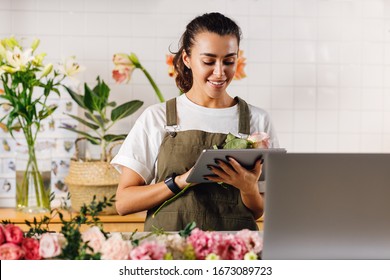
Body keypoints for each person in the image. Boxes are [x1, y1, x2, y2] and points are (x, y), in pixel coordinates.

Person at [111, 12, 279, 231]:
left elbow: (258, 211)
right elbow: (123, 202)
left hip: (232, 254)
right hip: (170, 253)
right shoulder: (158, 117)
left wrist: (248, 188)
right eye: (208, 61)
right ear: (187, 59)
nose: (219, 73)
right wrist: (181, 181)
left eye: (229, 61)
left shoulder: (258, 120)